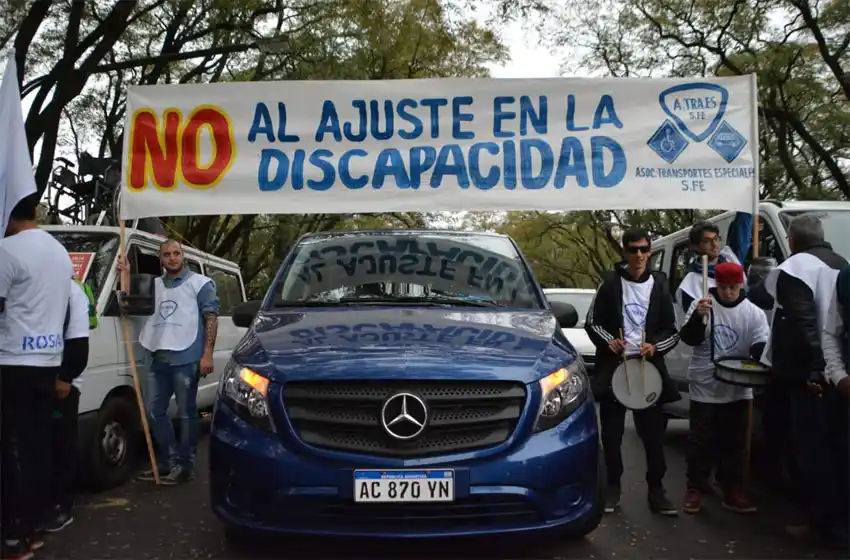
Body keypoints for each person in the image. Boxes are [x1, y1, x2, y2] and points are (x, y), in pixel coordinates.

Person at [756, 214, 848, 548]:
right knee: (839, 450)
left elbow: (802, 321)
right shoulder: (842, 264)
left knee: (814, 453)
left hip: (812, 375)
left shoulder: (795, 269)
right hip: (840, 373)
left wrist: (814, 368)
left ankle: (821, 524)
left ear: (793, 241)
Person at [585, 228, 681, 516]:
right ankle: (613, 488)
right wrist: (608, 341)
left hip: (648, 370)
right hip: (614, 370)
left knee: (653, 436)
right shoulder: (610, 284)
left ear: (650, 251)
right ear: (625, 253)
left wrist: (655, 346)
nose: (639, 255)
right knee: (611, 436)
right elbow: (592, 322)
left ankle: (657, 491)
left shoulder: (660, 285)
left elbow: (671, 331)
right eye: (633, 249)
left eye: (643, 249)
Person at [0, 193, 73, 559]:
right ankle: (33, 528)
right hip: (46, 361)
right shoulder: (59, 252)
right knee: (36, 448)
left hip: (11, 362)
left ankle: (13, 534)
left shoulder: (7, 250)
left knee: (10, 451)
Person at [118, 238, 219, 485]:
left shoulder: (200, 284)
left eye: (176, 253)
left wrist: (207, 354)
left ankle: (185, 465)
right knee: (154, 412)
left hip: (186, 358)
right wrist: (126, 274)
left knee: (186, 413)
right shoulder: (153, 285)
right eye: (167, 254)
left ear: (182, 255)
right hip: (157, 358)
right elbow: (128, 301)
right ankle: (167, 461)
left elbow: (211, 319)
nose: (172, 258)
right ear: (160, 258)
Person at [678, 262, 768, 515]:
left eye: (734, 287)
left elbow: (760, 343)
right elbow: (689, 338)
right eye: (724, 287)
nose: (729, 292)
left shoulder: (754, 313)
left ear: (741, 285)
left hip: (739, 386)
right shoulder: (703, 305)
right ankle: (695, 486)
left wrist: (761, 355)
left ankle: (732, 488)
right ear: (715, 285)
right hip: (705, 384)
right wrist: (697, 317)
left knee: (735, 441)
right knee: (700, 440)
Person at [41, 278, 92, 534]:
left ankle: (61, 505)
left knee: (60, 444)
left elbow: (79, 343)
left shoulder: (73, 291)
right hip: (30, 380)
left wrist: (66, 377)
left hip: (62, 382)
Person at [675, 221, 743, 313]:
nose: (714, 244)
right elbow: (691, 320)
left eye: (716, 239)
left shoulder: (732, 261)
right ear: (696, 247)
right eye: (707, 241)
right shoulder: (690, 283)